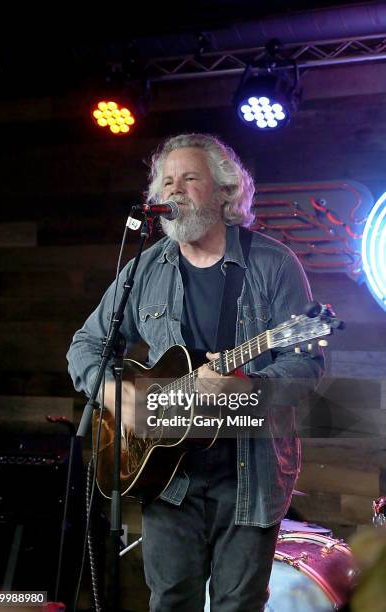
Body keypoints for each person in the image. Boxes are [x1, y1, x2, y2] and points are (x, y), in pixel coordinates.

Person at [67, 133, 324, 611]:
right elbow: (86, 346)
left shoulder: (272, 264)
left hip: (250, 473)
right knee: (171, 601)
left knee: (238, 603)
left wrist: (248, 388)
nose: (174, 191)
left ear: (225, 192)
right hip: (166, 475)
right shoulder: (144, 270)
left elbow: (306, 365)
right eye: (166, 182)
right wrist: (118, 398)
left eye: (189, 178)